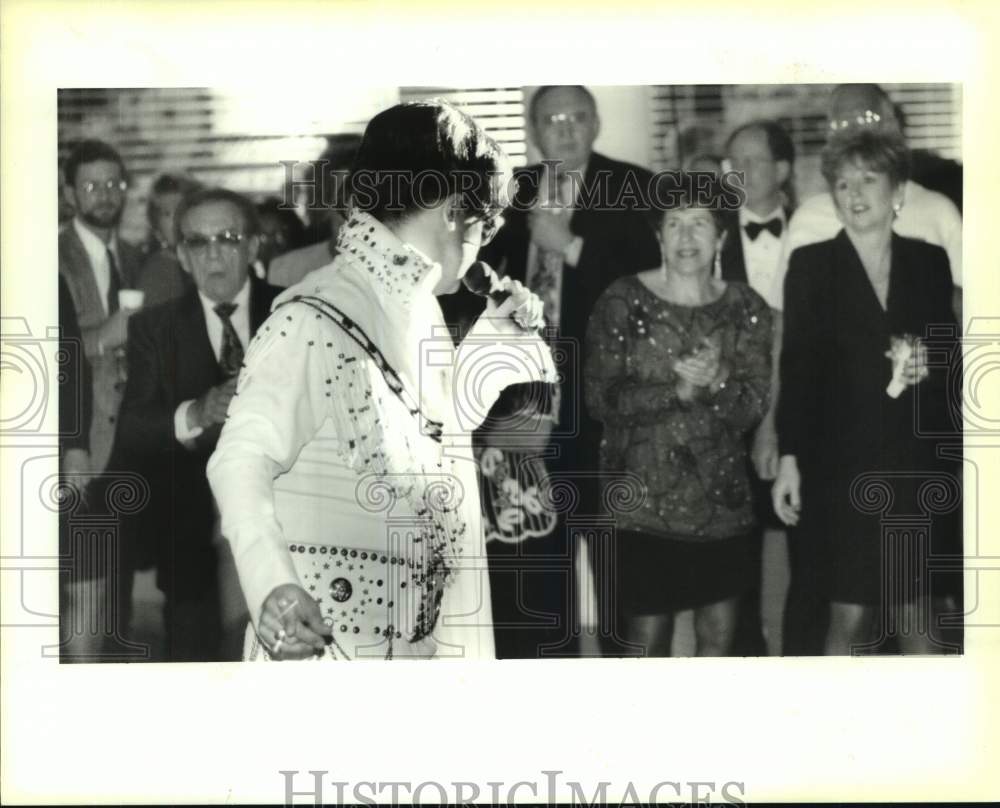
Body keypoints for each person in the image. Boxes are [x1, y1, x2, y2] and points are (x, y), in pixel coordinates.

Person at [206, 101, 553, 661]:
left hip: (417, 646)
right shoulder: (313, 313)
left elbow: (433, 445)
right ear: (450, 209)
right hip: (326, 650)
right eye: (485, 222)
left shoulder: (420, 315)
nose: (484, 240)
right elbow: (239, 459)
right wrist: (273, 584)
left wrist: (501, 334)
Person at [457, 84, 662, 658]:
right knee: (538, 565)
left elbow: (647, 289)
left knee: (614, 560)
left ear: (595, 124)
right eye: (551, 119)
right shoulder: (508, 191)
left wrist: (571, 247)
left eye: (575, 117)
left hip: (607, 410)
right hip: (524, 407)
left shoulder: (632, 186)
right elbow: (473, 279)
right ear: (534, 131)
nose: (564, 128)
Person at [772, 128, 961, 655]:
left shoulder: (929, 261)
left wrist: (933, 361)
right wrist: (789, 457)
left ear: (897, 191)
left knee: (916, 609)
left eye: (868, 180)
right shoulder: (810, 266)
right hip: (840, 469)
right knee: (849, 613)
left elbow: (952, 355)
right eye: (842, 183)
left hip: (915, 465)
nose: (853, 194)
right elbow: (799, 370)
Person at [584, 176, 773, 656]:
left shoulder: (746, 307)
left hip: (723, 506)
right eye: (675, 224)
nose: (687, 237)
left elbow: (752, 408)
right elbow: (600, 400)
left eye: (700, 224)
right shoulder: (621, 300)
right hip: (639, 508)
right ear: (659, 235)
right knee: (646, 645)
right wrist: (678, 390)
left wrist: (719, 377)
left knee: (718, 642)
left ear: (722, 238)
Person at [114, 187, 282, 661]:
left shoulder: (294, 308)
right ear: (182, 257)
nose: (213, 253)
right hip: (190, 538)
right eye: (198, 242)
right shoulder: (154, 327)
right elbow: (133, 428)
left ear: (253, 246)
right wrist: (195, 412)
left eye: (227, 238)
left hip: (287, 527)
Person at [58, 139, 144, 657]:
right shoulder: (47, 257)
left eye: (114, 183)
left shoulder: (139, 258)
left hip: (134, 442)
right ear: (70, 193)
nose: (105, 194)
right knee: (82, 585)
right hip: (80, 442)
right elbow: (49, 354)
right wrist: (108, 335)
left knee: (120, 582)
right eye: (92, 184)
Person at [774, 84, 962, 317]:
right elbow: (785, 319)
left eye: (865, 117)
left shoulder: (937, 211)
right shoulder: (808, 218)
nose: (852, 130)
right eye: (840, 122)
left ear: (892, 124)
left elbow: (966, 313)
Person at [720, 119, 796, 655]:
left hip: (804, 412)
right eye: (733, 163)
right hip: (730, 417)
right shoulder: (711, 234)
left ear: (784, 170)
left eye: (753, 161)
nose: (740, 173)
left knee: (809, 549)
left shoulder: (817, 226)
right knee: (735, 554)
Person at [268, 134, 362, 288]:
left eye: (366, 196)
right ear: (324, 204)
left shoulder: (404, 270)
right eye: (343, 197)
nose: (354, 208)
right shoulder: (287, 271)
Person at [134, 173, 202, 308]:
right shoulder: (157, 274)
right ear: (156, 226)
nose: (177, 220)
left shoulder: (203, 263)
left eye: (182, 210)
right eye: (167, 214)